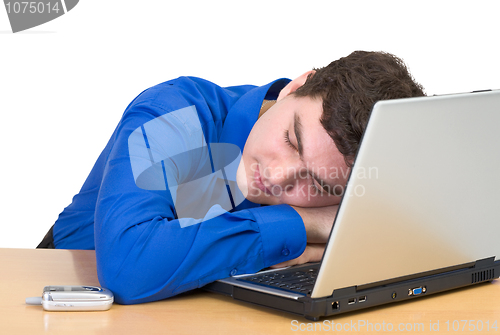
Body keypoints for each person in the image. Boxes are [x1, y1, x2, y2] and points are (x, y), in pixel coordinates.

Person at [37, 51, 425, 304]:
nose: (277, 176)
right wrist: (302, 223)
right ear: (297, 86)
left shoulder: (353, 180)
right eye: (292, 139)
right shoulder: (174, 112)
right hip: (64, 296)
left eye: (319, 185)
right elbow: (127, 267)